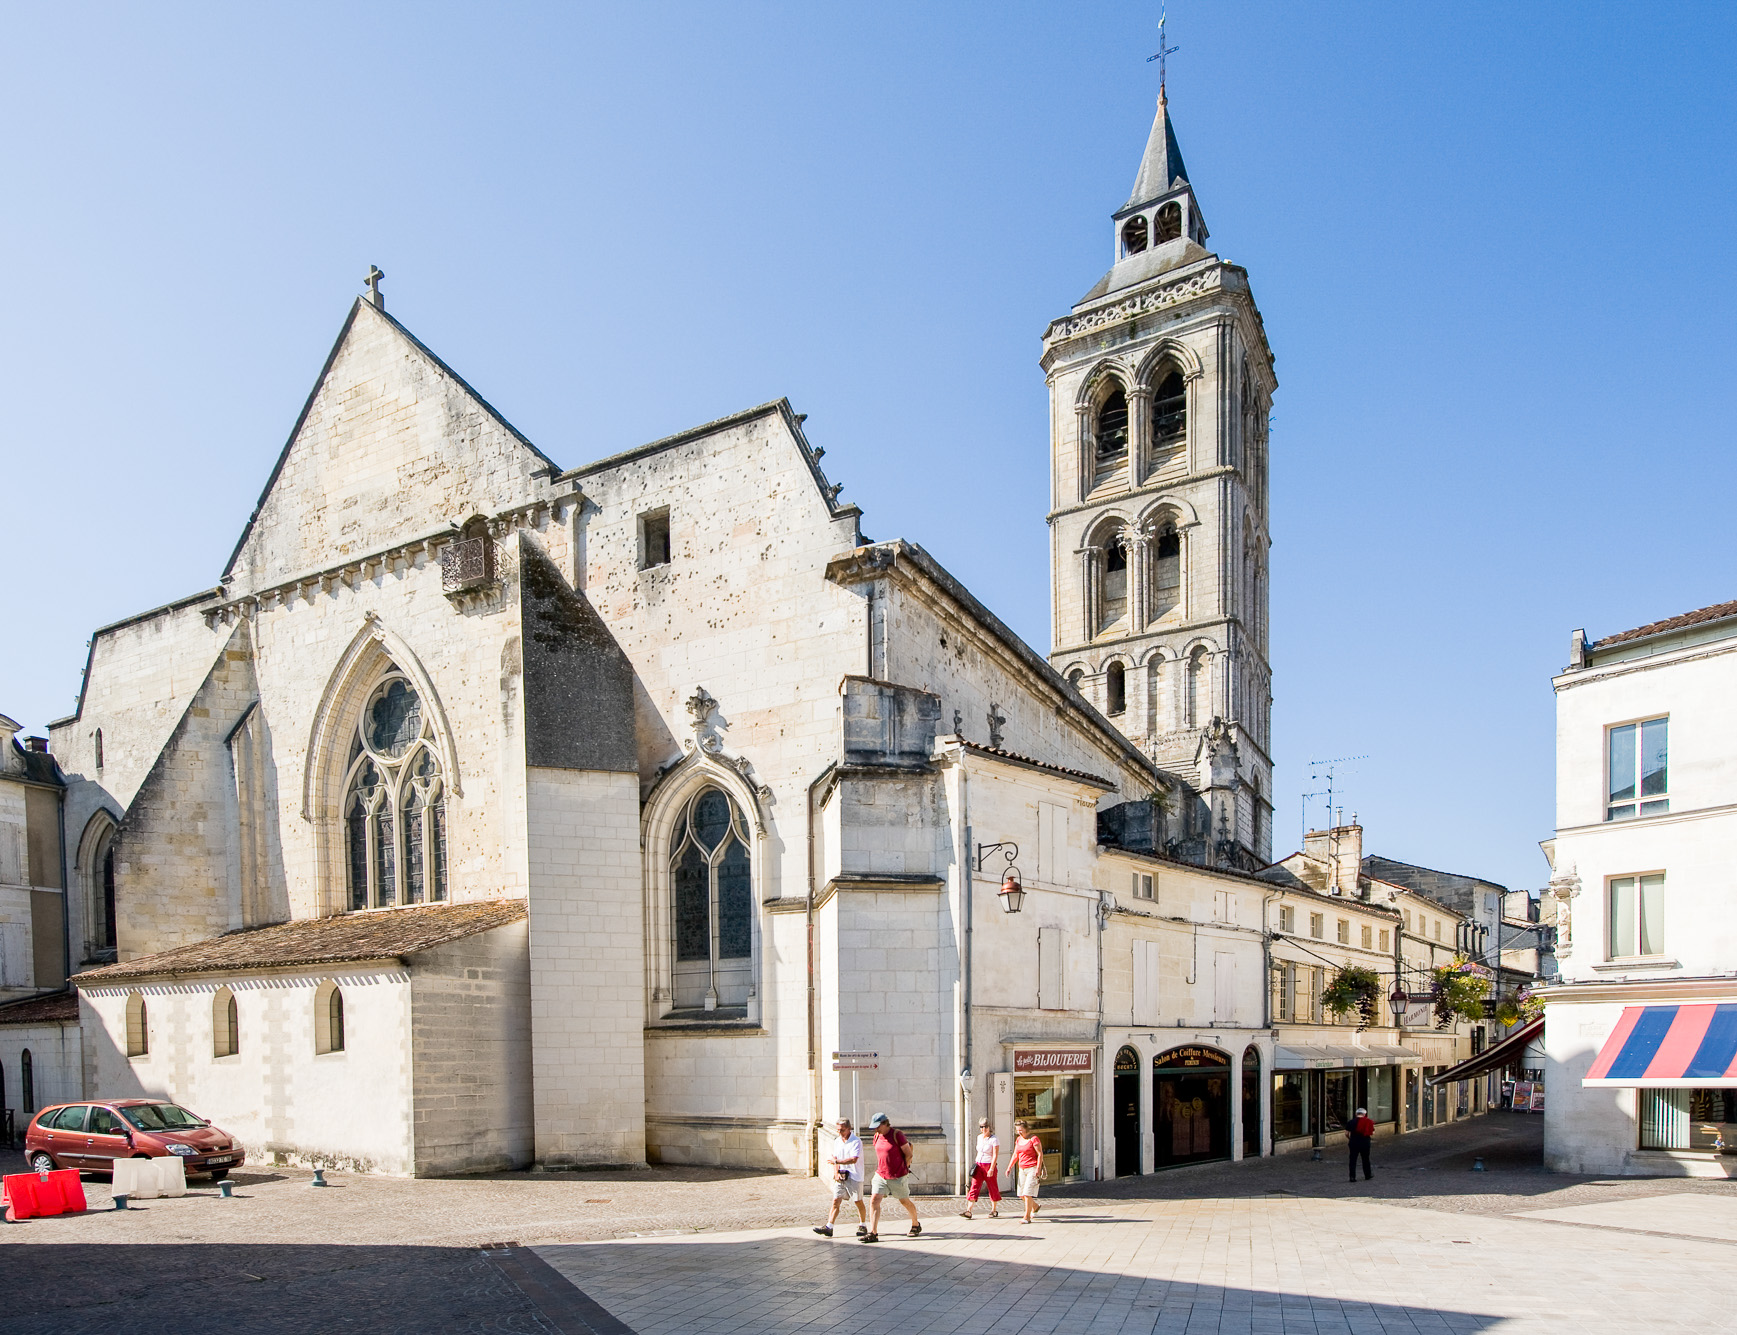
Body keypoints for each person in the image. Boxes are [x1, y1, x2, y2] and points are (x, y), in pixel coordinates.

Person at [863, 1112, 921, 1242]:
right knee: (874, 1200)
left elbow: (909, 1154)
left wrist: (903, 1168)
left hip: (897, 1177)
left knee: (904, 1201)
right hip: (880, 1175)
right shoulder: (877, 1135)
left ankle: (915, 1224)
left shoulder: (897, 1135)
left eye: (878, 1126)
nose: (876, 1129)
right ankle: (873, 1232)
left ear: (885, 1124)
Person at [813, 1117, 867, 1238]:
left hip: (854, 1175)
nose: (840, 1132)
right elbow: (834, 1158)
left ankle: (862, 1224)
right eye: (838, 1130)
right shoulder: (837, 1141)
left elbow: (853, 1159)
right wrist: (836, 1172)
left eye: (842, 1130)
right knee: (836, 1200)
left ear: (849, 1129)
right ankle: (829, 1226)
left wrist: (837, 1161)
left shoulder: (856, 1141)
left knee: (858, 1201)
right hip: (841, 1175)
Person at [959, 1117, 1000, 1220]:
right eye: (981, 1127)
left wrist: (991, 1168)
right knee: (974, 1186)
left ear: (990, 1127)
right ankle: (969, 1211)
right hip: (979, 1165)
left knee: (992, 1187)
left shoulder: (994, 1139)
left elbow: (995, 1155)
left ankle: (994, 1210)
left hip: (989, 1164)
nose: (983, 1129)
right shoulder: (979, 1137)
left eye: (986, 1126)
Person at [1010, 1119, 1045, 1223]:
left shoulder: (1034, 1139)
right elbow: (1016, 1154)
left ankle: (1027, 1217)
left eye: (1021, 1130)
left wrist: (1038, 1168)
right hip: (1022, 1169)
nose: (1019, 1132)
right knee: (1021, 1194)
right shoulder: (1018, 1140)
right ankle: (1035, 1206)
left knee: (1027, 1193)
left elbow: (1040, 1154)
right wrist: (1009, 1167)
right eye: (1017, 1130)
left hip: (1032, 1168)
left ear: (1026, 1129)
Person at [1348, 1105, 1375, 1182]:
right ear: (1364, 1114)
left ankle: (1352, 1177)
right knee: (1365, 1159)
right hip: (1365, 1142)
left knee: (1353, 1160)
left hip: (1354, 1142)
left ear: (1356, 1114)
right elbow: (1372, 1131)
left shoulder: (1351, 1122)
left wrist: (1350, 1138)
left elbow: (1346, 1133)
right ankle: (1367, 1175)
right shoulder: (1369, 1121)